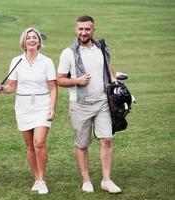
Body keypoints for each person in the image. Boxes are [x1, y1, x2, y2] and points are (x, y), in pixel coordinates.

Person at [57, 15, 122, 194]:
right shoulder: (68, 53)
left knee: (107, 140)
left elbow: (107, 69)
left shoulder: (101, 48)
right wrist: (77, 80)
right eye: (80, 29)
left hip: (102, 102)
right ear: (75, 29)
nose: (83, 32)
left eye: (87, 29)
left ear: (93, 29)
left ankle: (106, 180)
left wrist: (115, 81)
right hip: (80, 105)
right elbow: (60, 80)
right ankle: (86, 180)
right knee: (82, 145)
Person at [0, 27, 58, 195]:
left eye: (35, 37)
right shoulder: (17, 60)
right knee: (30, 145)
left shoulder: (47, 61)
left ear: (39, 41)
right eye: (28, 37)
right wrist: (3, 88)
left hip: (42, 105)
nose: (32, 40)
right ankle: (36, 178)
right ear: (23, 41)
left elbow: (53, 88)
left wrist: (52, 108)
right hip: (22, 107)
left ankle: (42, 180)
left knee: (39, 142)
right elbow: (12, 87)